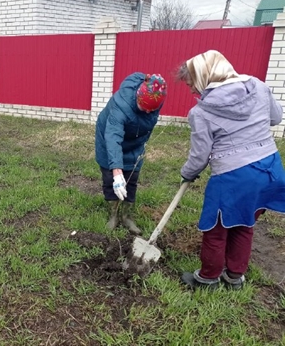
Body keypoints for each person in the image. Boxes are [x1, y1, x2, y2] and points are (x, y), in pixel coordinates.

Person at [177, 50, 285, 289]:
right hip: (269, 170)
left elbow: (200, 155)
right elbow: (276, 118)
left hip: (234, 177)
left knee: (216, 230)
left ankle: (208, 278)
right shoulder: (257, 86)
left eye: (192, 84)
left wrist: (187, 173)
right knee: (244, 223)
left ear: (206, 77)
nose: (193, 91)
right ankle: (234, 277)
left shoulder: (202, 112)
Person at [95, 72, 167, 235]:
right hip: (109, 137)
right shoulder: (121, 105)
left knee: (131, 179)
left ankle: (127, 216)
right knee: (109, 177)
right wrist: (116, 170)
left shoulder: (155, 96)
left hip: (135, 141)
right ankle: (113, 215)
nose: (149, 112)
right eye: (145, 108)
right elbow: (113, 137)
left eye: (152, 109)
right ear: (137, 98)